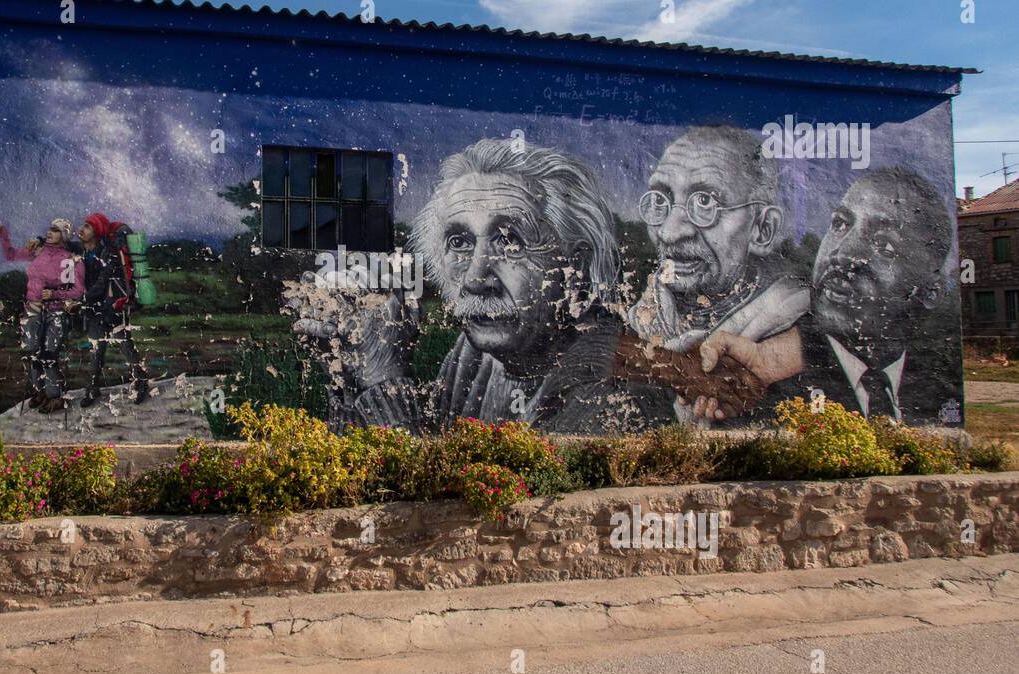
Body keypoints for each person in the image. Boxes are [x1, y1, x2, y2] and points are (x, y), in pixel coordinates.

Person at [287, 137, 654, 433]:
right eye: (459, 243)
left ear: (576, 267)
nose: (476, 280)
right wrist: (354, 375)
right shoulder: (479, 351)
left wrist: (385, 378)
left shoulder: (614, 389)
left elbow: (434, 510)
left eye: (510, 241)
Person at [695, 167, 961, 425]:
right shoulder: (757, 378)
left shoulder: (938, 384)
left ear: (931, 291)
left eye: (884, 243)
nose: (841, 253)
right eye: (841, 224)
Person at [626, 125, 809, 423]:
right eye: (660, 200)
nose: (669, 233)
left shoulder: (799, 331)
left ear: (762, 229)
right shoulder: (639, 320)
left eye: (705, 202)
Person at [0, 216, 85, 413]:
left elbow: (76, 290)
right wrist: (2, 233)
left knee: (49, 354)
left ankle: (54, 396)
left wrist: (55, 293)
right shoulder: (38, 252)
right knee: (33, 353)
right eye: (50, 229)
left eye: (55, 230)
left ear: (64, 235)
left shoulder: (68, 259)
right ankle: (38, 391)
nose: (50, 232)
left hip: (55, 312)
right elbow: (10, 255)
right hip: (32, 309)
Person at [75, 213, 150, 407]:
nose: (82, 230)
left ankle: (141, 383)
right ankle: (92, 388)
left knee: (125, 346)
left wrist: (81, 298)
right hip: (93, 308)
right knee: (96, 350)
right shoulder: (82, 252)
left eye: (87, 227)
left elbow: (102, 282)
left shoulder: (108, 253)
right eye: (83, 226)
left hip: (112, 306)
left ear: (97, 231)